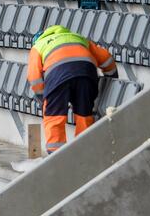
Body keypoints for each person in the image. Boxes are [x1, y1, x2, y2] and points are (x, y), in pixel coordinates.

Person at [27, 25, 118, 154]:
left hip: (57, 74)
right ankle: (84, 152)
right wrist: (112, 77)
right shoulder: (77, 37)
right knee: (84, 114)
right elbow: (106, 58)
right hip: (86, 72)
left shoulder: (38, 45)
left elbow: (34, 76)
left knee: (54, 117)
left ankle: (56, 156)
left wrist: (43, 98)